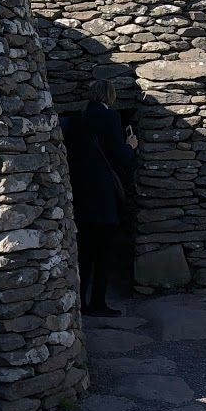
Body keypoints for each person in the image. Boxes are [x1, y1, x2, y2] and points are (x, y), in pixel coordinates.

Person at [64, 79, 136, 316]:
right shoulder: (111, 117)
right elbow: (120, 155)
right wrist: (130, 146)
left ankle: (81, 302)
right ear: (110, 96)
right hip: (103, 194)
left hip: (80, 191)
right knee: (104, 252)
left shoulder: (78, 118)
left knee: (84, 252)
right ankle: (98, 303)